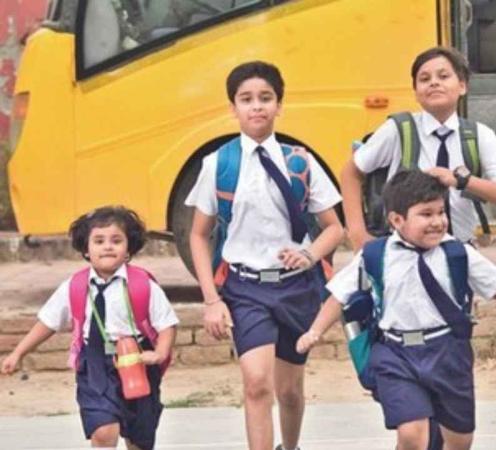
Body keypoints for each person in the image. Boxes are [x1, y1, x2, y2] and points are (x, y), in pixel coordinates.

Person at [296, 170, 496, 450]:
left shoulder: (457, 253)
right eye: (426, 214)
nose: (437, 222)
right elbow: (339, 295)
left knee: (459, 440)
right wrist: (314, 331)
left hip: (447, 351)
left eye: (441, 212)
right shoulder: (375, 255)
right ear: (397, 220)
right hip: (395, 353)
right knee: (412, 434)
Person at [185, 61, 345, 450]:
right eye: (246, 99)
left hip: (295, 288)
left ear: (279, 105)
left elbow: (334, 228)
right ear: (233, 108)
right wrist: (211, 299)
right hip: (245, 288)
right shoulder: (218, 164)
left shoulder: (301, 161)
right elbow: (199, 235)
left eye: (265, 98)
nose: (256, 106)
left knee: (289, 391)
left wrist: (309, 255)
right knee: (257, 384)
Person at [0, 206, 178, 450]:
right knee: (103, 431)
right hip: (95, 364)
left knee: (139, 438)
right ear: (86, 249)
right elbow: (48, 322)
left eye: (116, 241)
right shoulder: (75, 286)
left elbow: (167, 324)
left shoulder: (142, 285)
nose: (108, 247)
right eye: (99, 241)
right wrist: (18, 352)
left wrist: (159, 353)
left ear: (129, 249)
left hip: (137, 361)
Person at [341, 46, 496, 249]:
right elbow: (351, 172)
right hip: (403, 250)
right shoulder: (398, 129)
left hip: (459, 248)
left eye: (444, 76)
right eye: (424, 79)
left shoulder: (479, 135)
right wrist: (358, 234)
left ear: (462, 86)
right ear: (416, 93)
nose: (434, 83)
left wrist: (462, 181)